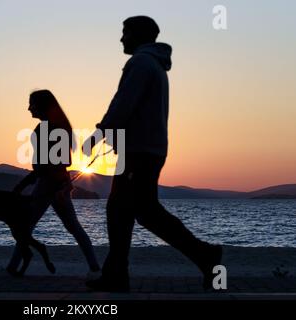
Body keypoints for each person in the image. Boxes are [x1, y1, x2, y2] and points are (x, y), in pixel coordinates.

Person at [83, 16, 222, 292]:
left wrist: (99, 134)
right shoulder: (155, 65)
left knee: (130, 211)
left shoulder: (141, 63)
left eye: (125, 33)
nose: (121, 39)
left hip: (138, 151)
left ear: (137, 35)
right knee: (133, 211)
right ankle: (118, 275)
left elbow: (123, 103)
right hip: (148, 150)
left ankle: (204, 255)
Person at [8, 89, 100, 276]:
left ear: (41, 106)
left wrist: (24, 184)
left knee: (26, 226)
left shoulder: (46, 129)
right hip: (56, 183)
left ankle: (12, 267)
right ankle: (95, 266)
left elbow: (47, 165)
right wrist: (63, 185)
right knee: (73, 226)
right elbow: (61, 162)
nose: (28, 108)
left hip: (48, 184)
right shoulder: (57, 127)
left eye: (31, 103)